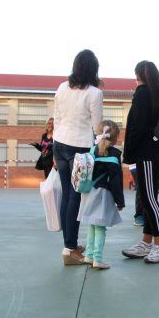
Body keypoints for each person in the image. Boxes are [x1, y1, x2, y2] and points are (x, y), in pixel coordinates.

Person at [122, 61, 159, 264]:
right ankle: (146, 242)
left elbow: (136, 127)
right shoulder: (156, 94)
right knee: (149, 198)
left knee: (148, 199)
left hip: (146, 154)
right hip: (156, 153)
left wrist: (128, 152)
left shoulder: (142, 93)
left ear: (138, 75)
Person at [53, 49, 103, 265]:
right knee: (75, 197)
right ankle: (70, 249)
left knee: (67, 195)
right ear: (93, 68)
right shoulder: (94, 93)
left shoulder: (62, 87)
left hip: (59, 144)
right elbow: (97, 127)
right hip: (79, 147)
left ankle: (69, 244)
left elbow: (57, 117)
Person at [78, 120, 125, 270]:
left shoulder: (92, 150)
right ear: (116, 137)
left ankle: (88, 256)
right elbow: (116, 181)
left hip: (88, 193)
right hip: (102, 194)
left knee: (92, 225)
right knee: (100, 228)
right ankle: (97, 259)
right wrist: (120, 201)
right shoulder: (114, 155)